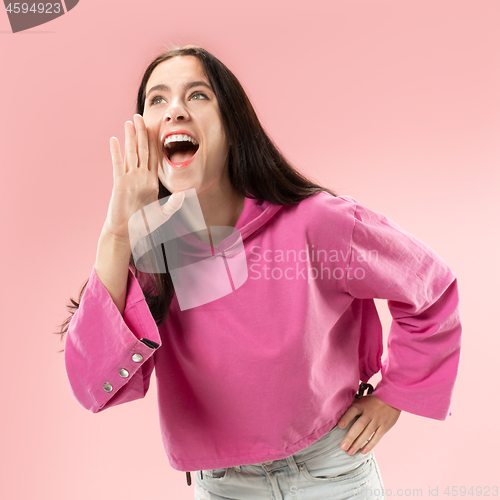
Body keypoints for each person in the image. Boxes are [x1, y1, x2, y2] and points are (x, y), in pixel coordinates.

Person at [61, 45, 461, 500]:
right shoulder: (162, 247)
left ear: (232, 124)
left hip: (330, 473)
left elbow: (431, 287)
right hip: (224, 488)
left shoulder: (315, 221)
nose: (174, 110)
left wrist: (396, 394)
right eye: (157, 100)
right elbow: (92, 383)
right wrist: (117, 231)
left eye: (197, 95)